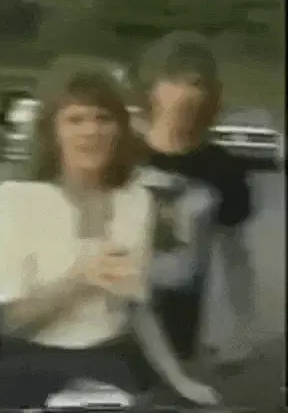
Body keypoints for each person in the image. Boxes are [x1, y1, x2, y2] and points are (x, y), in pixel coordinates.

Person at [0, 69, 219, 408]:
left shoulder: (136, 202)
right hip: (32, 365)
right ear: (52, 132)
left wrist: (179, 379)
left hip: (108, 360)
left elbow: (137, 307)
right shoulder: (15, 199)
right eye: (75, 120)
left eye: (103, 119)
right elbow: (9, 322)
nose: (91, 131)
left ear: (119, 130)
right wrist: (81, 279)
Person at [132, 31, 256, 365]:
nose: (185, 96)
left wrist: (238, 333)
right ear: (151, 90)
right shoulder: (119, 153)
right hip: (112, 320)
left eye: (197, 85)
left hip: (181, 326)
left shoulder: (223, 168)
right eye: (175, 82)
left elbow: (234, 256)